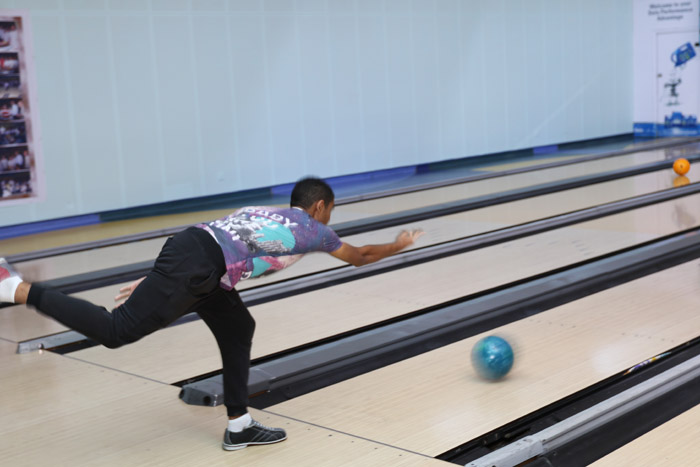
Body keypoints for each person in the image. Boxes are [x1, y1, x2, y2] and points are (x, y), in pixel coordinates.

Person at [0, 177, 423, 451]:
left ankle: (239, 425)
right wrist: (399, 244)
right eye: (330, 210)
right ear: (319, 207)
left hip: (201, 262)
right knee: (116, 331)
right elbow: (360, 255)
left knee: (239, 327)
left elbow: (217, 236)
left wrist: (156, 278)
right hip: (200, 269)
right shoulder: (314, 229)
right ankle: (17, 289)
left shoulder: (260, 212)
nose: (331, 219)